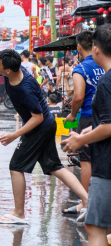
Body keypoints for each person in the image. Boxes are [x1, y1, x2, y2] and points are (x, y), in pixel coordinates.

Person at [0, 49, 88, 224]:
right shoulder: (13, 69)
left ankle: (19, 213)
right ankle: (88, 201)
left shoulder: (24, 89)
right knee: (55, 167)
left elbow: (37, 117)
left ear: (8, 70)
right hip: (46, 125)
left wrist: (14, 135)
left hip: (39, 126)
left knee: (16, 166)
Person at [61, 25, 111, 246]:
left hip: (106, 161)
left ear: (96, 49)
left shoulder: (102, 79)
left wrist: (81, 138)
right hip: (98, 132)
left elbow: (109, 125)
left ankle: (86, 202)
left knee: (95, 225)